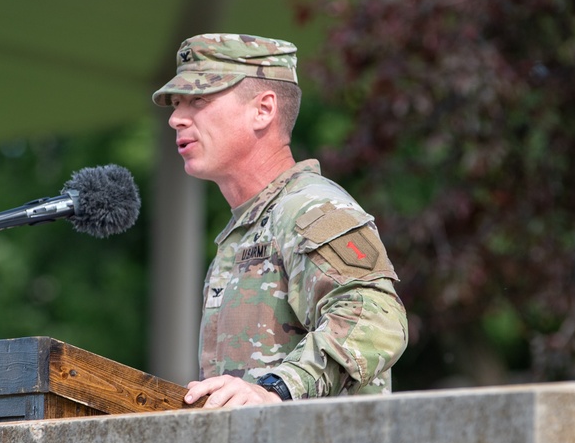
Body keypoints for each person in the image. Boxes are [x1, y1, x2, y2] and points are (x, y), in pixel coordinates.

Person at [150, 33, 408, 408]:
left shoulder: (311, 209)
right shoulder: (246, 229)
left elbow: (379, 321)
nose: (176, 118)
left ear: (264, 110)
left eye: (198, 100)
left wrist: (276, 389)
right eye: (176, 104)